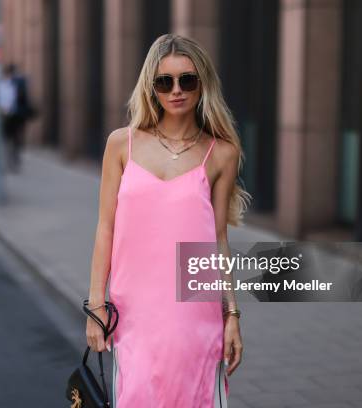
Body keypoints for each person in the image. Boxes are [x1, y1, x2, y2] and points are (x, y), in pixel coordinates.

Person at [85, 33, 251, 407]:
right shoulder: (121, 144)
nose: (176, 90)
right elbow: (105, 227)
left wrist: (232, 315)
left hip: (194, 312)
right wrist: (96, 305)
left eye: (187, 80)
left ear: (202, 83)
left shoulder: (221, 152)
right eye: (165, 82)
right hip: (133, 311)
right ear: (151, 87)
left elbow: (218, 240)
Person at [0, 63, 29, 172]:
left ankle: (14, 160)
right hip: (4, 117)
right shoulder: (1, 84)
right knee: (7, 140)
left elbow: (24, 99)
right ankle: (9, 161)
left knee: (15, 140)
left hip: (15, 116)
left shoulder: (18, 83)